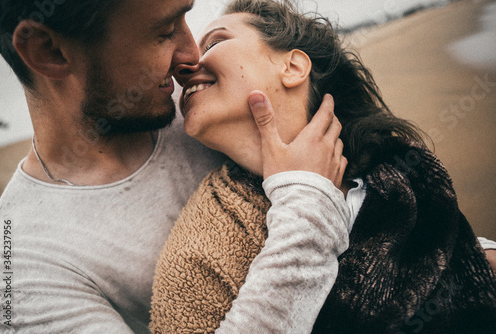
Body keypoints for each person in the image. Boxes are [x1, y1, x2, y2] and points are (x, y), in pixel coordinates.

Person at [0, 0, 352, 333]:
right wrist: (310, 214)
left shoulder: (209, 108)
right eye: (165, 31)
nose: (191, 55)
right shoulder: (23, 268)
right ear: (49, 51)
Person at [150, 0, 496, 333]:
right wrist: (306, 196)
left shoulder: (403, 167)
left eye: (215, 42)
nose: (184, 67)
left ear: (294, 67)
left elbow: (440, 250)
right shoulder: (200, 252)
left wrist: (477, 256)